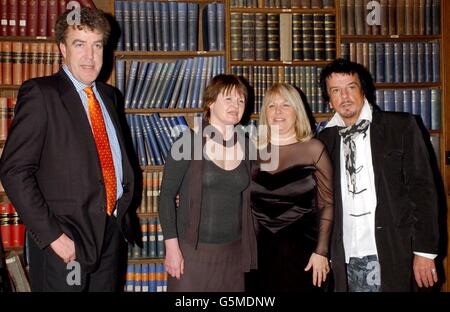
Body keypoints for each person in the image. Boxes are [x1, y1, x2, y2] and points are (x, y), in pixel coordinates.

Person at [0, 8, 138, 291]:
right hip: (65, 242)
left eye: (97, 45)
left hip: (111, 234)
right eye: (80, 44)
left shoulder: (110, 97)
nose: (90, 56)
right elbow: (14, 171)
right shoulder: (41, 94)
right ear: (62, 48)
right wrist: (53, 238)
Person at [317, 58, 439, 292]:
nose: (344, 97)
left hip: (394, 250)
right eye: (336, 91)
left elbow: (423, 191)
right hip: (345, 255)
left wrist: (424, 251)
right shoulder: (323, 142)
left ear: (364, 91)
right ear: (329, 100)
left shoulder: (401, 127)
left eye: (351, 87)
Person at [158, 74, 257, 291]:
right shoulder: (187, 142)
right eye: (229, 99)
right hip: (191, 253)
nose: (236, 105)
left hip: (233, 254)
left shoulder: (248, 148)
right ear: (210, 102)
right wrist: (172, 248)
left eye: (241, 101)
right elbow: (166, 196)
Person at [246, 83, 333, 292]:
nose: (278, 112)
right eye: (271, 106)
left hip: (304, 253)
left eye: (286, 105)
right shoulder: (251, 151)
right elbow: (226, 190)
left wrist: (321, 251)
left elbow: (328, 203)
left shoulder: (313, 149)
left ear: (297, 110)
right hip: (258, 253)